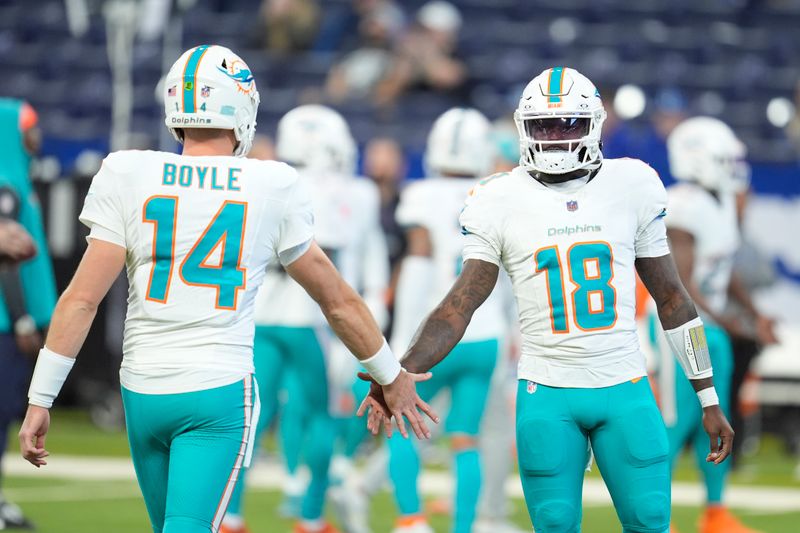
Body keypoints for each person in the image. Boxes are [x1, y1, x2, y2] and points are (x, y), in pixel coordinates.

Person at [17, 44, 435, 533]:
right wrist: (389, 374)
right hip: (217, 390)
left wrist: (41, 397)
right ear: (241, 108)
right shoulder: (271, 183)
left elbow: (82, 299)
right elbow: (336, 299)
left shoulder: (127, 172)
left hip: (142, 391)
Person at [360, 66, 735, 533]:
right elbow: (460, 305)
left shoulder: (632, 185)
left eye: (568, 125)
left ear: (593, 124)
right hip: (547, 391)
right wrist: (401, 371)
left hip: (624, 385)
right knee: (555, 524)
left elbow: (673, 300)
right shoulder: (498, 197)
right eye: (543, 126)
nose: (555, 137)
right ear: (524, 128)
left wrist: (708, 395)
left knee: (650, 520)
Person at [222, 104, 388, 533]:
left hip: (261, 314)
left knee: (250, 421)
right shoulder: (354, 192)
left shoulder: (263, 180)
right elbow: (338, 255)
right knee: (322, 416)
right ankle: (311, 516)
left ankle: (232, 515)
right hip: (315, 319)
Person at [382, 108, 512, 533]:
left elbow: (418, 266)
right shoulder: (499, 192)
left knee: (399, 422)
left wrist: (402, 344)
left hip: (436, 334)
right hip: (486, 333)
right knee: (465, 438)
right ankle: (462, 526)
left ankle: (411, 519)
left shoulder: (421, 194)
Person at [654, 117, 777, 533]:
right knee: (677, 422)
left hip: (712, 329)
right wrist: (733, 323)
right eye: (726, 158)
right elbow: (680, 285)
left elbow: (724, 270)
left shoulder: (721, 199)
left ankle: (715, 512)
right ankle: (654, 516)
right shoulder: (683, 205)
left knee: (718, 421)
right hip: (683, 330)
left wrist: (751, 313)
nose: (734, 166)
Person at [0, 98, 57, 531]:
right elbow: (8, 261)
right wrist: (21, 317)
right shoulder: (6, 184)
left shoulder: (17, 178)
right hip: (4, 323)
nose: (37, 137)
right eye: (30, 128)